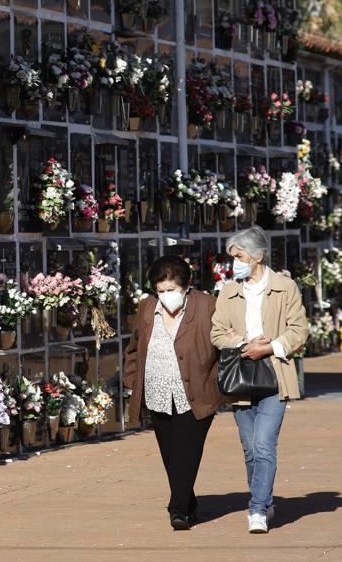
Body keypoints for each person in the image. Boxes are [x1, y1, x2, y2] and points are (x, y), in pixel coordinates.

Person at [211, 226, 309, 534]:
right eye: (232, 257)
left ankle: (256, 510)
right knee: (250, 448)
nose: (234, 263)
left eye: (239, 256)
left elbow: (299, 330)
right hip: (242, 377)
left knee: (265, 444)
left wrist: (267, 347)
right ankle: (264, 501)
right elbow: (217, 332)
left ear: (258, 256)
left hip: (275, 374)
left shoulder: (285, 287)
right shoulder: (228, 291)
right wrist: (243, 344)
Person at [123, 255, 221, 530]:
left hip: (196, 392)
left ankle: (177, 509)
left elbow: (224, 342)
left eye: (172, 290)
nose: (167, 296)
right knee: (170, 454)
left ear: (186, 286)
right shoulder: (147, 308)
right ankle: (188, 503)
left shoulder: (207, 306)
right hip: (156, 391)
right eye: (161, 290)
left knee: (187, 452)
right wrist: (132, 380)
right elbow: (134, 346)